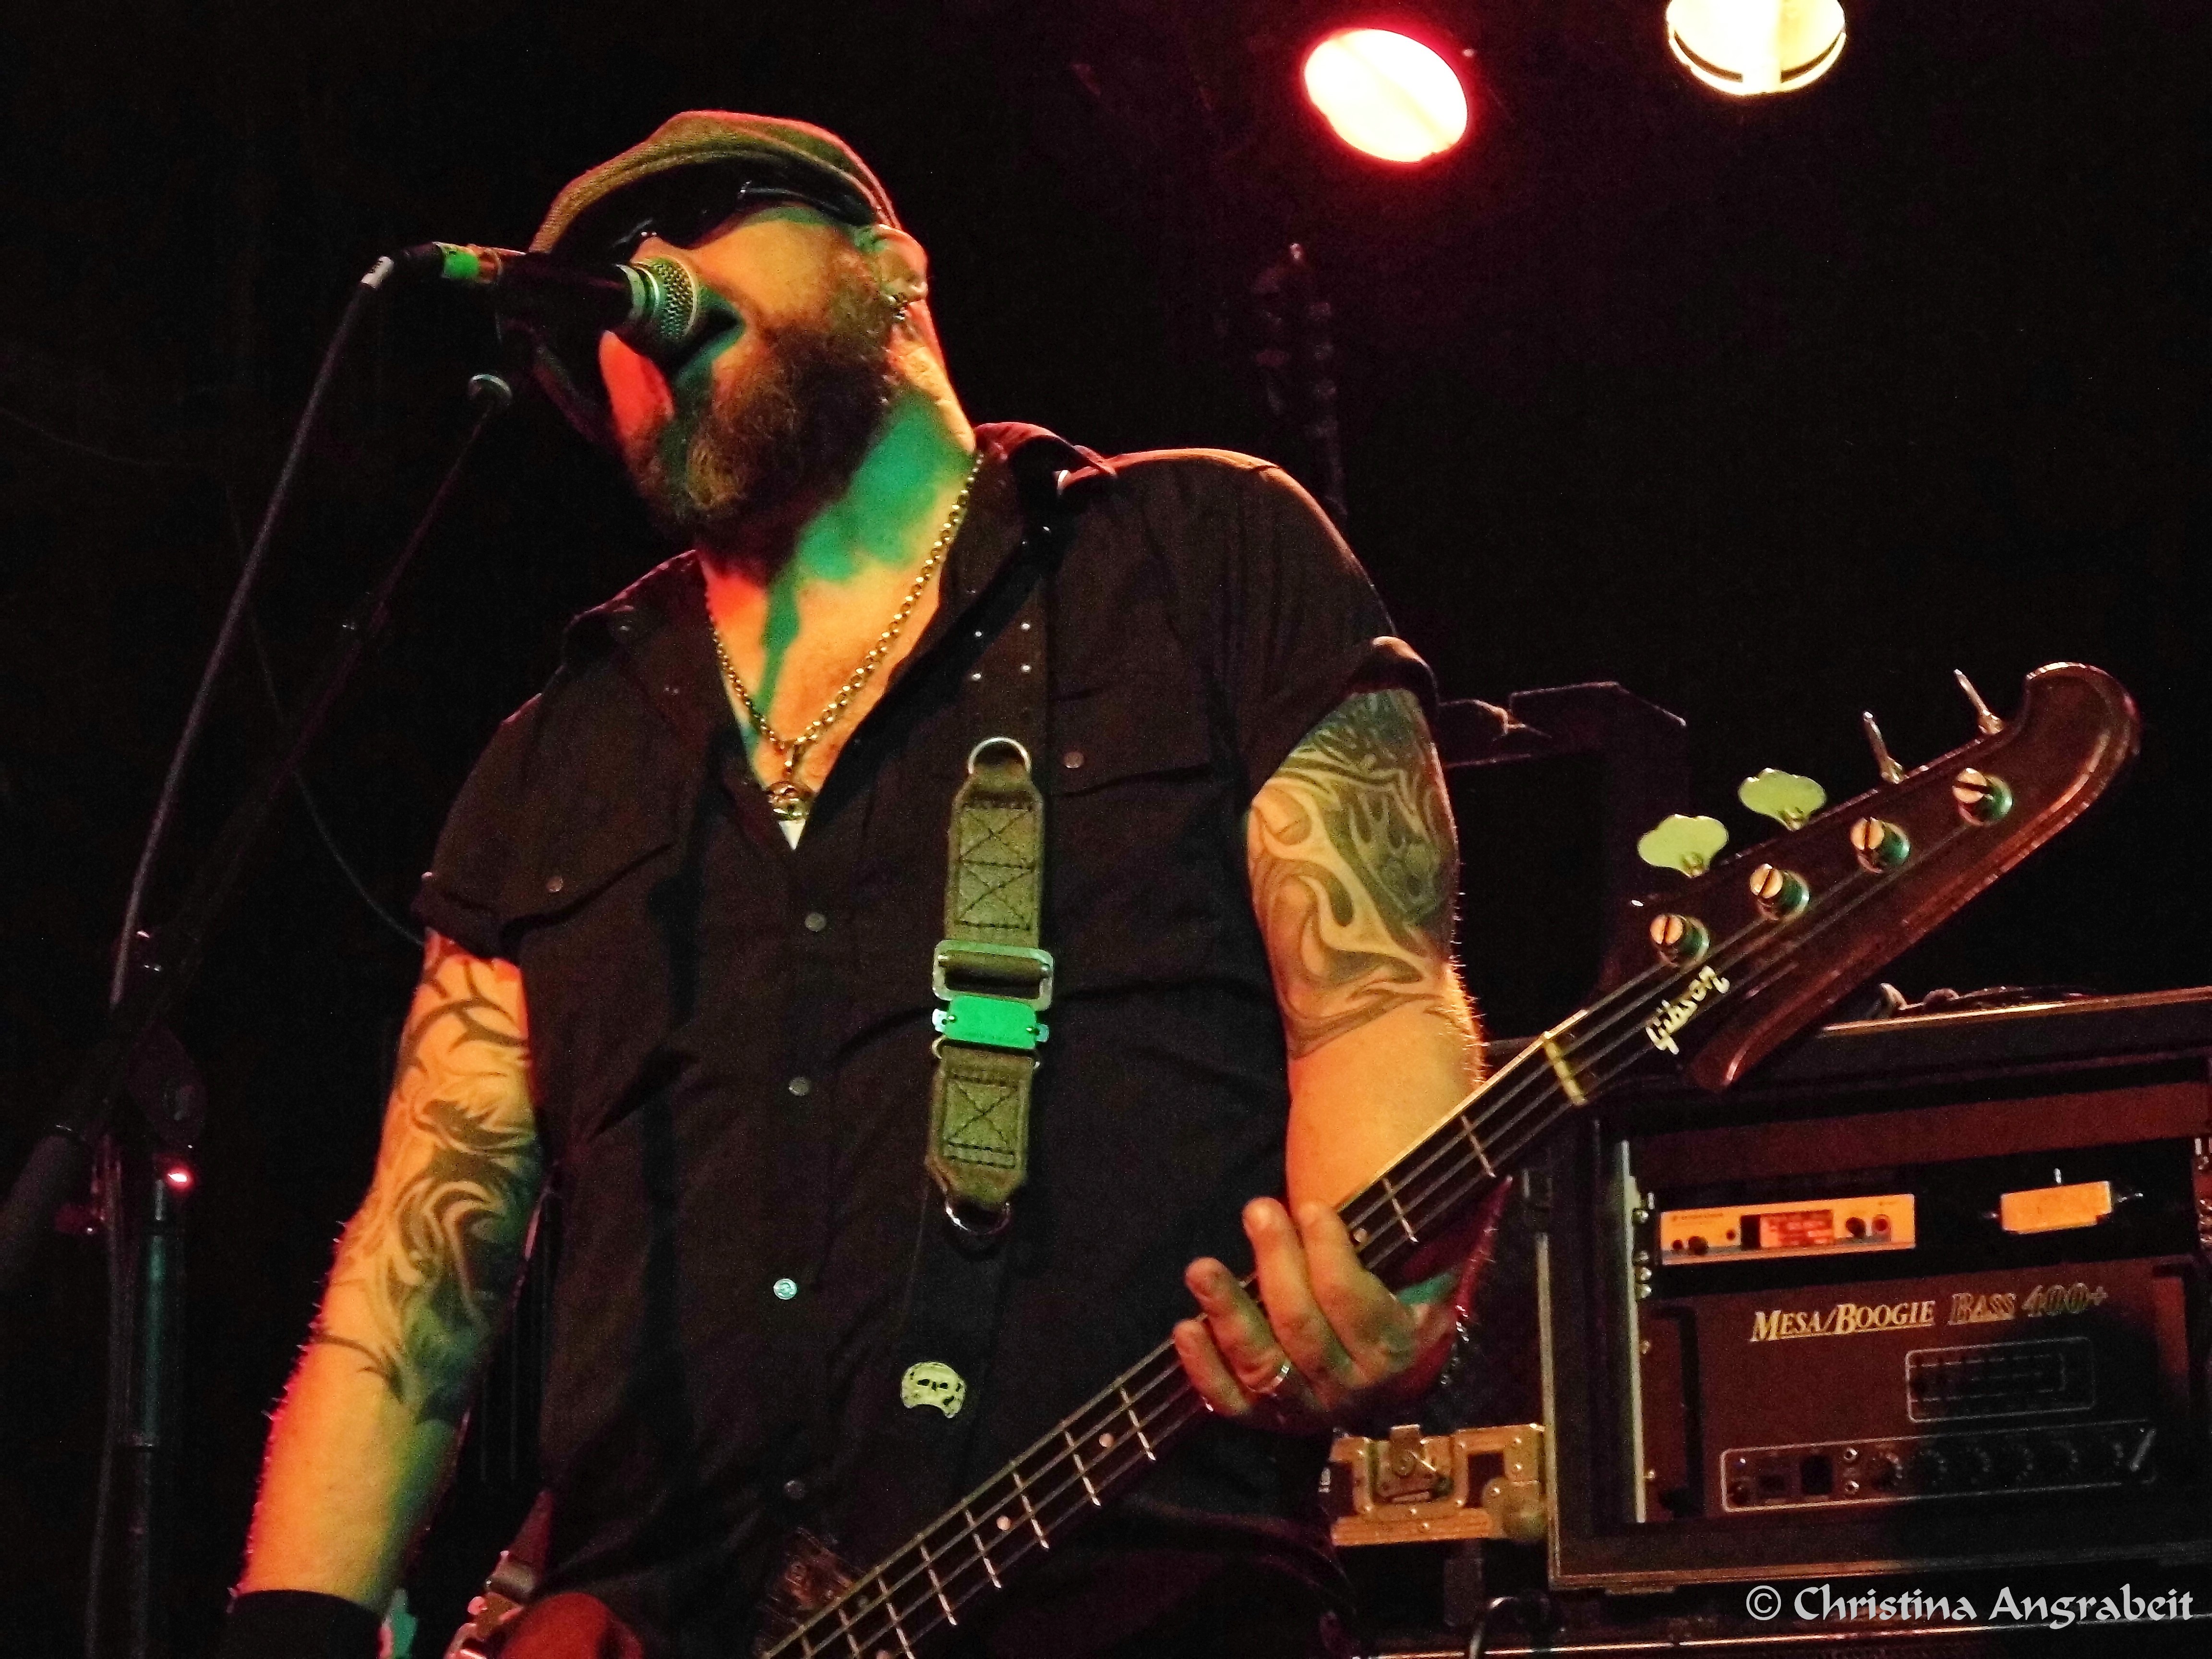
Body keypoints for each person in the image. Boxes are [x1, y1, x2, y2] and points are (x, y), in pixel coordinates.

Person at [217, 112, 1484, 1659]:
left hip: (1134, 1599)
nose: (645, 272)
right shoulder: (556, 752)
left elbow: (1376, 997)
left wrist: (1371, 1294)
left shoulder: (1194, 553)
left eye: (708, 212)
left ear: (894, 267)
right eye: (596, 281)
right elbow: (419, 1272)